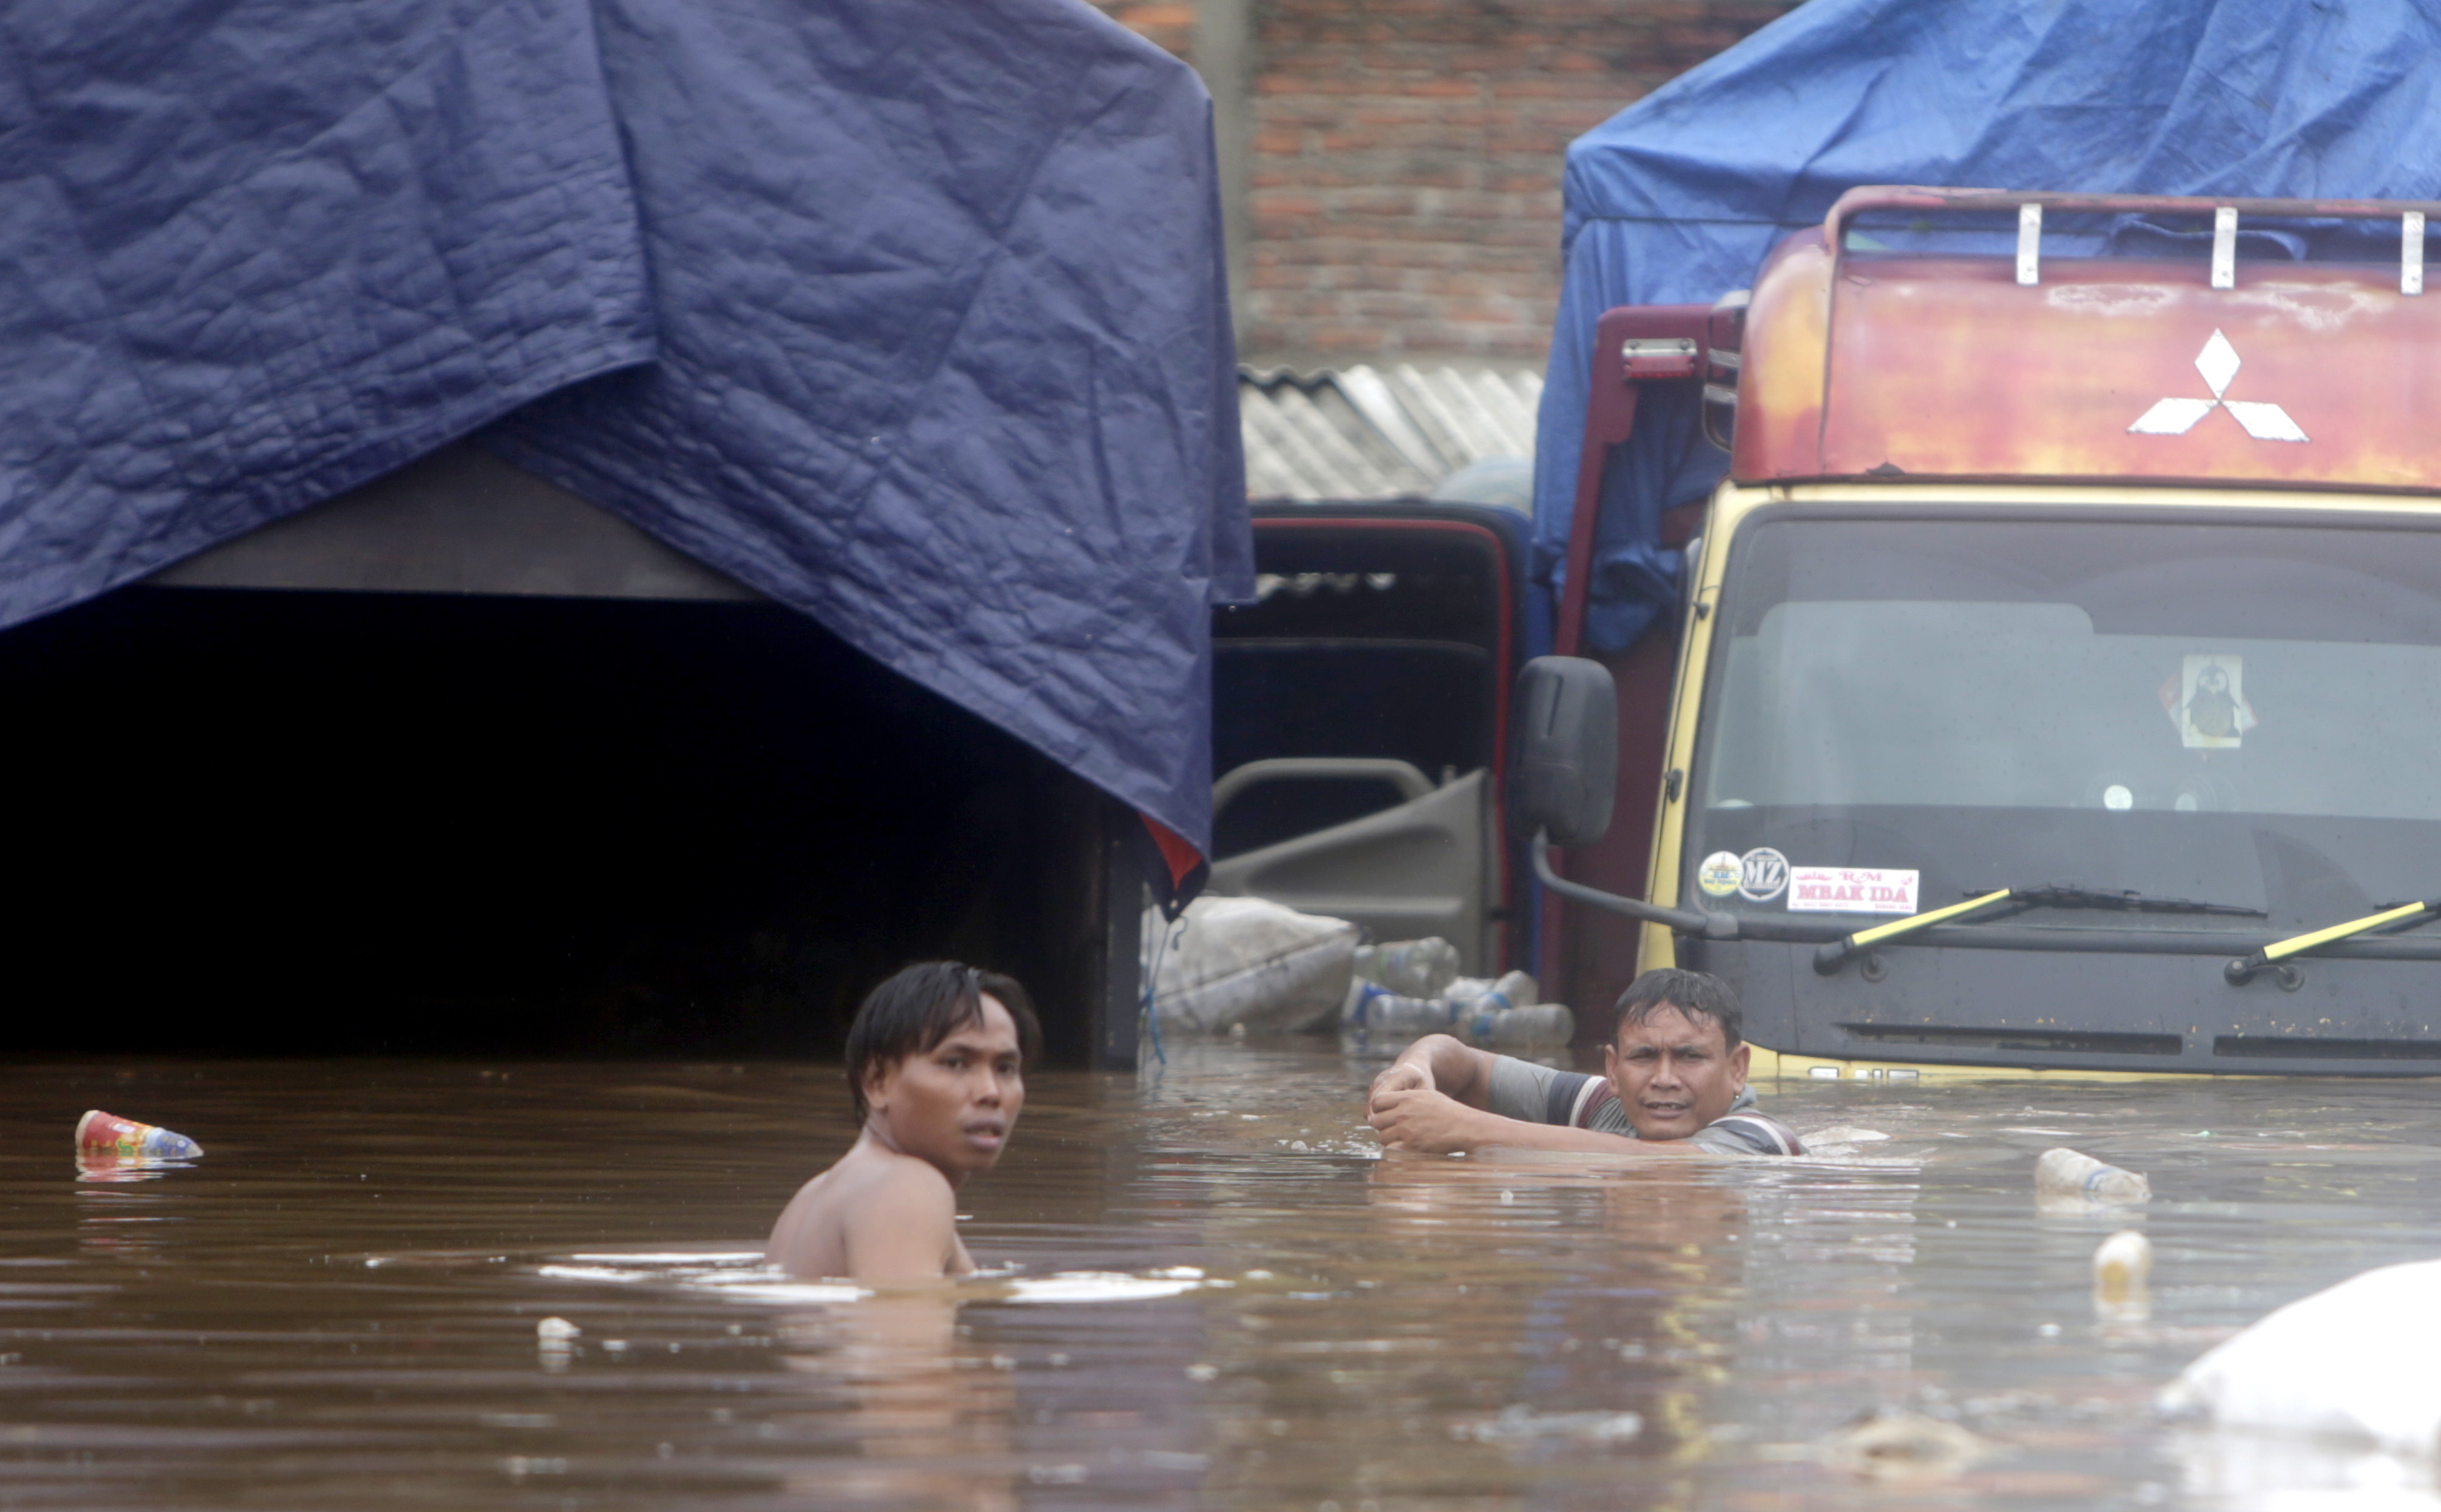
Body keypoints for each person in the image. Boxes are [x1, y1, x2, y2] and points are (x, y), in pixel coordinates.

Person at [768, 962, 1040, 1281]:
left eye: (1006, 1068)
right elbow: (900, 1331)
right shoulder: (909, 1187)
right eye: (956, 1063)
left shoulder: (812, 1198)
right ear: (877, 1081)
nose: (991, 1092)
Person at [1366, 967, 1803, 1156]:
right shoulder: (1603, 1105)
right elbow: (1464, 1062)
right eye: (1643, 1056)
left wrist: (1462, 1128)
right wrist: (1412, 1071)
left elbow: (1675, 1168)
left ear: (1738, 1069)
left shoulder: (1761, 1137)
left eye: (1690, 1057)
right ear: (1613, 1069)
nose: (1664, 1079)